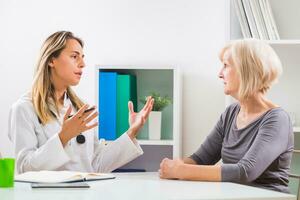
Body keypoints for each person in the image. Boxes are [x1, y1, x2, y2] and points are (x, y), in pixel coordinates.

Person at [8, 31, 154, 174]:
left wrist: (132, 131)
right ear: (52, 60)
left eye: (82, 57)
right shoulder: (24, 108)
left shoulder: (81, 108)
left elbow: (96, 165)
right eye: (74, 56)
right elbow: (24, 168)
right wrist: (63, 137)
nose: (82, 64)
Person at [159, 39, 294, 193]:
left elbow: (245, 172)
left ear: (246, 70)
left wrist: (181, 170)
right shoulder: (231, 113)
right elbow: (202, 159)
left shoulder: (277, 119)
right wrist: (174, 165)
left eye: (225, 65)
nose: (219, 74)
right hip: (233, 195)